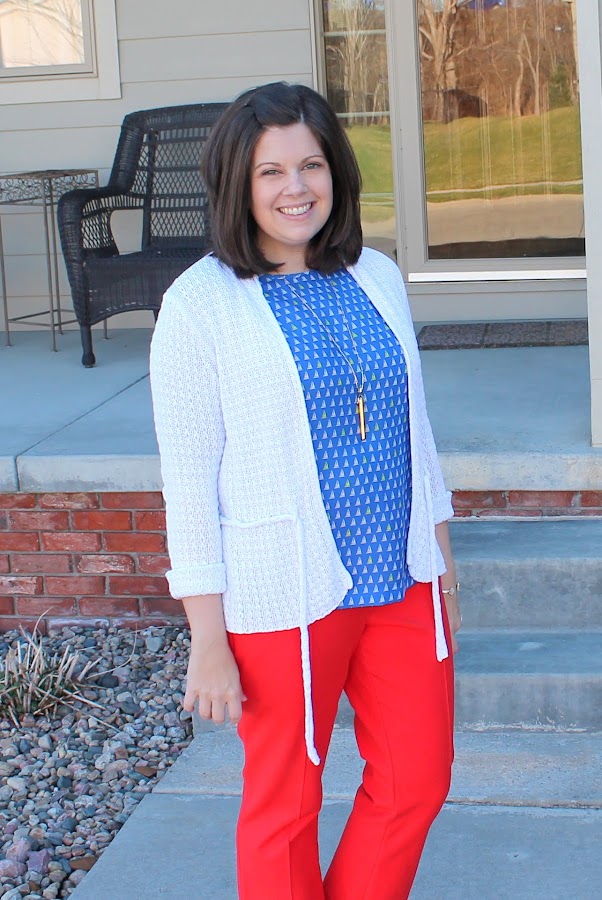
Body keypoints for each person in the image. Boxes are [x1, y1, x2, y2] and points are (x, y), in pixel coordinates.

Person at [149, 81, 461, 900]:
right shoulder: (200, 306)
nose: (296, 188)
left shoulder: (377, 275)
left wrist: (442, 561)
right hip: (284, 593)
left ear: (337, 173)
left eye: (312, 165)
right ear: (237, 184)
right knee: (285, 807)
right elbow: (188, 485)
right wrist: (206, 638)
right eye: (271, 172)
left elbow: (416, 433)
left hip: (401, 579)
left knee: (417, 780)